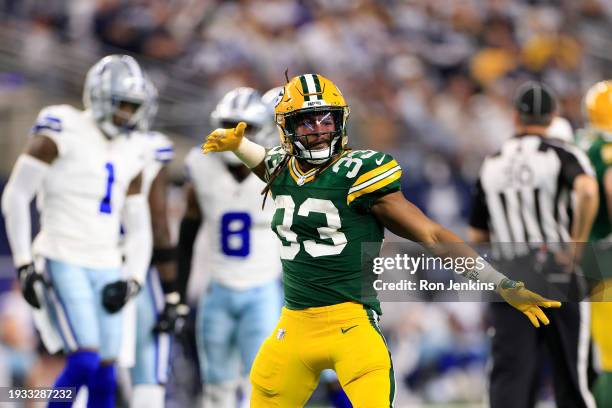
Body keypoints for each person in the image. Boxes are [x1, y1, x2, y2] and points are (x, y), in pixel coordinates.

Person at [202, 73, 560, 407]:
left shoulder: (360, 172)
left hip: (350, 327)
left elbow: (432, 234)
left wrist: (501, 283)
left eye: (326, 119)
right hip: (292, 328)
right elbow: (269, 163)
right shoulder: (282, 165)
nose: (319, 131)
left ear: (340, 121)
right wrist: (240, 146)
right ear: (287, 128)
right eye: (306, 122)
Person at [1, 54, 155, 407]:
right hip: (62, 255)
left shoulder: (134, 149)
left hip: (107, 262)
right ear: (101, 97)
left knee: (106, 371)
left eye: (135, 106)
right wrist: (24, 262)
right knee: (84, 359)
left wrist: (132, 275)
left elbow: (139, 225)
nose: (129, 114)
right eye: (124, 105)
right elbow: (16, 195)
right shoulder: (63, 127)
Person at [468, 82, 599, 408]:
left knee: (511, 375)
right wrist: (576, 246)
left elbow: (476, 234)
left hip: (511, 274)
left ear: (515, 117)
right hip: (556, 266)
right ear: (552, 116)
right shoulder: (562, 153)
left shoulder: (492, 162)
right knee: (571, 373)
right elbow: (587, 190)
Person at [179, 87, 282, 407]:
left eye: (246, 127)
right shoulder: (201, 164)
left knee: (263, 385)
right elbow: (187, 232)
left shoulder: (281, 168)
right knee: (216, 387)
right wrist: (177, 293)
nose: (236, 133)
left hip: (265, 288)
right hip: (218, 289)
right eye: (230, 124)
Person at [126, 78, 187, 408]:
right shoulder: (150, 148)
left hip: (85, 261)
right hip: (139, 270)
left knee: (90, 362)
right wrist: (172, 291)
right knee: (148, 368)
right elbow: (159, 225)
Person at [581, 80, 612, 407]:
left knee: (587, 354)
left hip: (574, 258)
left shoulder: (578, 141)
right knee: (610, 360)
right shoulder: (607, 149)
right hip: (605, 257)